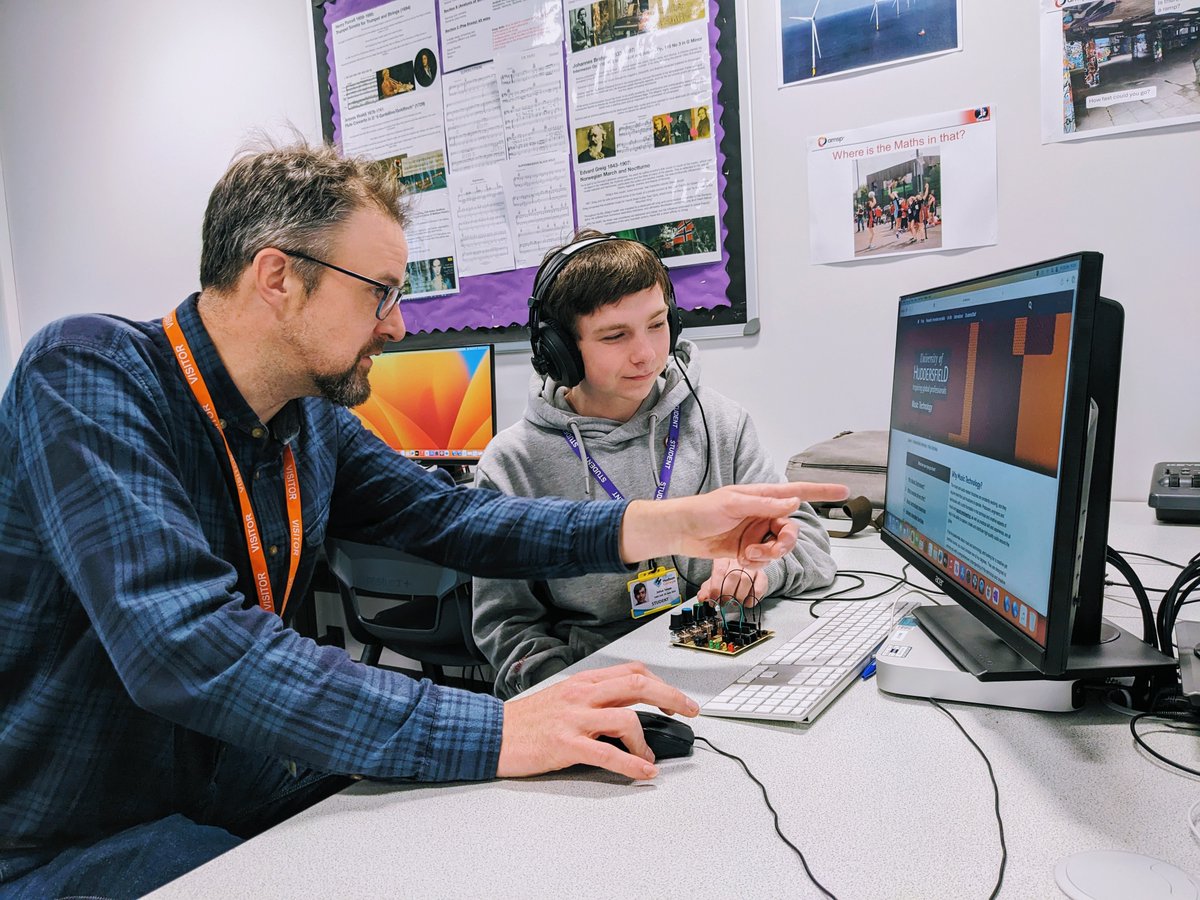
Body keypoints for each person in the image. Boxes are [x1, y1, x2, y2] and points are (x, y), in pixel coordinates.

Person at [0, 141, 848, 898]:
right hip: (83, 830)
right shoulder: (85, 374)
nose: (398, 325)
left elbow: (459, 521)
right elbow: (183, 645)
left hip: (232, 778)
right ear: (277, 277)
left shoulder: (306, 423)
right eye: (380, 293)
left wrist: (669, 525)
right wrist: (496, 726)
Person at [471, 231, 838, 700]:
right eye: (615, 335)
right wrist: (578, 691)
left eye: (658, 324)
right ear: (560, 351)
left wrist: (760, 573)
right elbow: (508, 627)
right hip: (599, 686)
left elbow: (809, 544)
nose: (646, 354)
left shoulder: (720, 423)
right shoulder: (512, 465)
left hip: (720, 662)